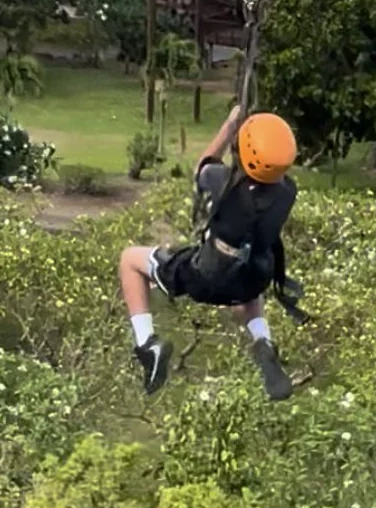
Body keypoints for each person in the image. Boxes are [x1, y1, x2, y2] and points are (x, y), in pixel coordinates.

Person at [118, 105, 302, 401]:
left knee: (129, 259)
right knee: (249, 283)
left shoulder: (224, 181)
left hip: (207, 277)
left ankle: (146, 344)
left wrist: (230, 127)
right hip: (254, 276)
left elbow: (202, 167)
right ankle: (263, 340)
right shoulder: (287, 191)